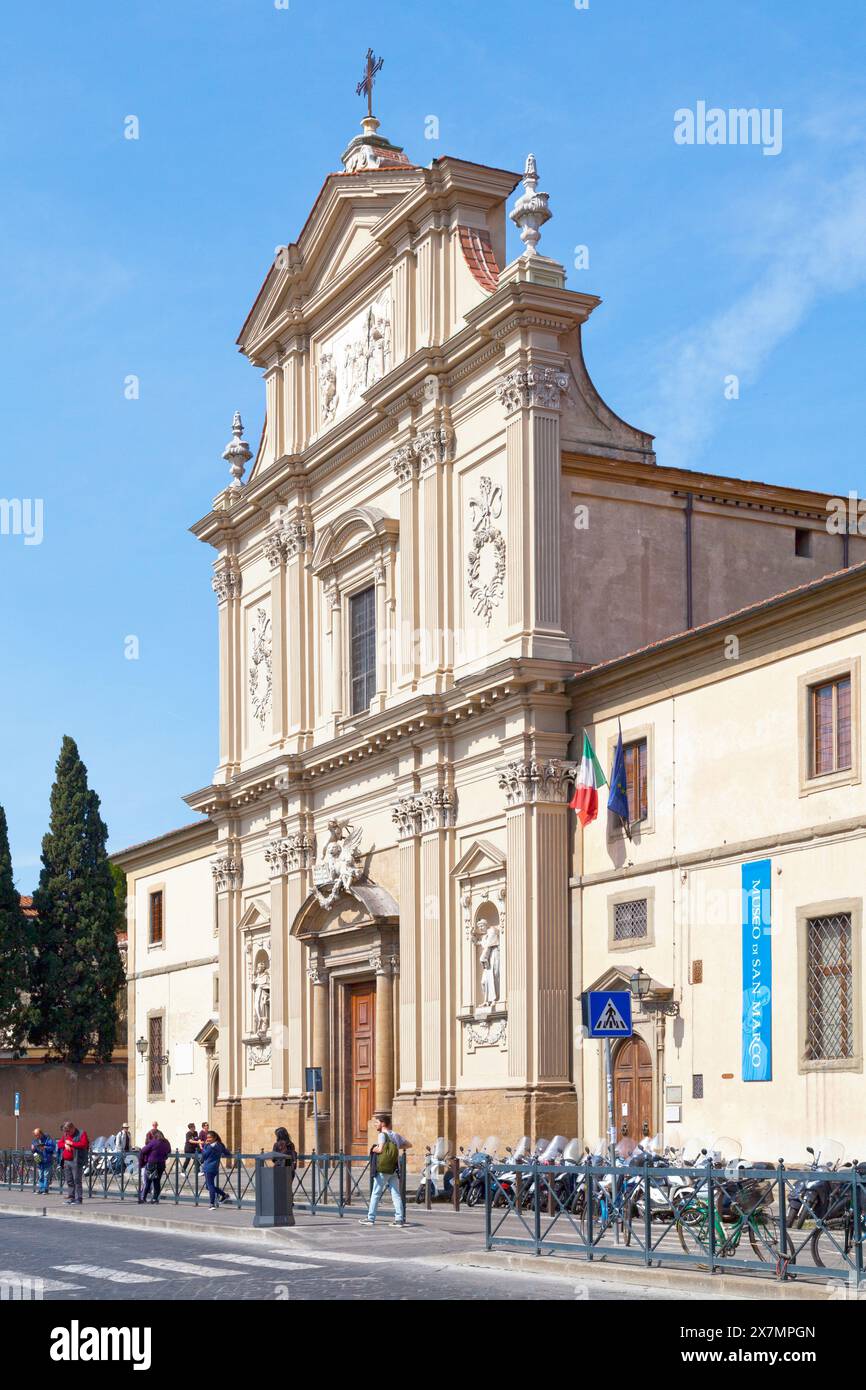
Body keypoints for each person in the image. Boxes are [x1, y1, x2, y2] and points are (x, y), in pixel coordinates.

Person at [360, 1117, 412, 1228]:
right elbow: (408, 1144)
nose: (375, 1124)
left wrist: (374, 1148)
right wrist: (396, 1147)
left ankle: (370, 1218)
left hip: (383, 1169)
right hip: (393, 1168)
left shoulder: (382, 1135)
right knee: (396, 1194)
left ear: (383, 1123)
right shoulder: (395, 1135)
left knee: (375, 1194)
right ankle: (399, 1219)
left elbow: (380, 1150)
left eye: (377, 1122)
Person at [57, 1122, 89, 1205]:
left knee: (77, 1180)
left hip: (76, 1160)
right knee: (69, 1180)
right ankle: (71, 1197)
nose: (67, 1134)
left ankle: (79, 1198)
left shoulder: (81, 1133)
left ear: (72, 1128)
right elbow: (59, 1144)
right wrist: (65, 1144)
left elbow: (84, 1144)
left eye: (68, 1131)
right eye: (65, 1132)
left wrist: (72, 1144)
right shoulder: (66, 1135)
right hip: (67, 1161)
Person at [138, 1128, 171, 1203]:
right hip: (161, 1164)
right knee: (157, 1181)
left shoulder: (154, 1142)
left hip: (152, 1163)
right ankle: (155, 1198)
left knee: (148, 1181)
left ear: (156, 1136)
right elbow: (169, 1151)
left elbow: (143, 1150)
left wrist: (141, 1163)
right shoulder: (166, 1143)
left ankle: (143, 1198)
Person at [201, 1131, 230, 1212]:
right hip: (215, 1168)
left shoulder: (209, 1146)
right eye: (207, 1137)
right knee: (208, 1186)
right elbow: (227, 1153)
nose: (208, 1139)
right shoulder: (220, 1145)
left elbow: (204, 1156)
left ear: (214, 1138)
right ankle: (224, 1195)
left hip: (208, 1168)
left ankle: (212, 1204)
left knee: (210, 1186)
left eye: (210, 1137)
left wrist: (205, 1145)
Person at [31, 1128, 56, 1195]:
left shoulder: (48, 1139)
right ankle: (41, 1189)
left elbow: (53, 1148)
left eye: (37, 1135)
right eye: (35, 1135)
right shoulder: (35, 1141)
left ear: (41, 1133)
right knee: (40, 1175)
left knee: (46, 1176)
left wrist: (45, 1147)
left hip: (47, 1160)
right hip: (39, 1160)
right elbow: (33, 1151)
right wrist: (33, 1149)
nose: (36, 1136)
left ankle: (45, 1189)